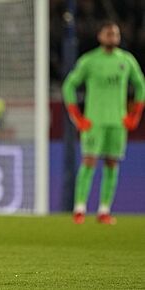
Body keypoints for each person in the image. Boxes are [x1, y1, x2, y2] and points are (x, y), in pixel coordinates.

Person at [62, 21, 145, 225]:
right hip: (94, 121)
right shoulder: (90, 61)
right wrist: (78, 117)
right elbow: (69, 86)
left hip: (117, 122)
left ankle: (104, 210)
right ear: (100, 36)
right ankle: (80, 208)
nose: (112, 37)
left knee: (111, 164)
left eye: (115, 34)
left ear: (119, 37)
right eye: (108, 33)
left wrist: (134, 116)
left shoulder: (127, 60)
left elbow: (140, 85)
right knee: (89, 161)